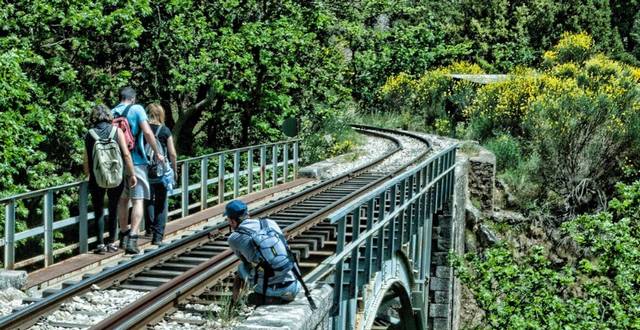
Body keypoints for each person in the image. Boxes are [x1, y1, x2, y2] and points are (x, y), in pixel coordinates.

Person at [112, 87, 164, 254]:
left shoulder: (112, 112)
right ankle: (133, 239)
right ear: (133, 98)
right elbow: (147, 132)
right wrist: (157, 152)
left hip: (118, 163)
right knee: (138, 200)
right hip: (137, 162)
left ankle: (123, 235)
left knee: (122, 200)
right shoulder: (137, 109)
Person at [225, 200, 301, 306]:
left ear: (233, 221)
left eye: (228, 220)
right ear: (248, 214)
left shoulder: (234, 238)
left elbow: (247, 262)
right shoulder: (269, 223)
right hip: (294, 285)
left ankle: (236, 303)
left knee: (241, 268)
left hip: (270, 290)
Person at [83, 105, 137, 254]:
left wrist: (88, 175)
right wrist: (132, 174)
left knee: (98, 210)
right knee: (113, 207)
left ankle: (100, 244)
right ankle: (112, 243)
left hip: (96, 176)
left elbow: (86, 159)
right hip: (116, 175)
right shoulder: (117, 131)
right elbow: (126, 154)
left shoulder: (90, 134)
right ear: (108, 116)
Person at [143, 103, 178, 245]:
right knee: (161, 202)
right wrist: (174, 171)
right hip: (161, 171)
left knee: (148, 199)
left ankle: (149, 229)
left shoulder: (142, 130)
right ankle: (157, 236)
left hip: (144, 170)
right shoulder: (164, 130)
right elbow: (172, 154)